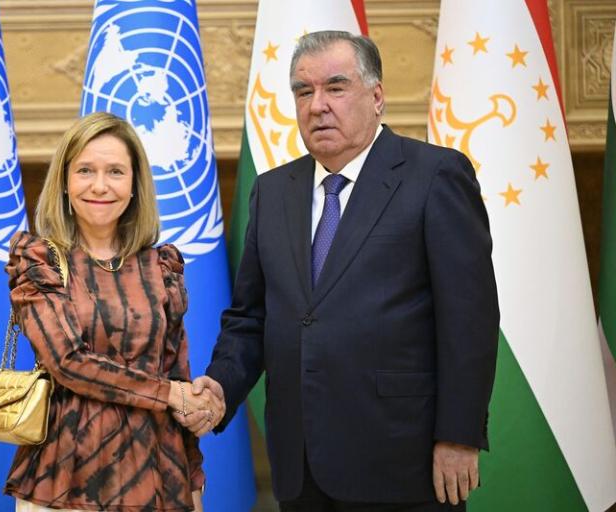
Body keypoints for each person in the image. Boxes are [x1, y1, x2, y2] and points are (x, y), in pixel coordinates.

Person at [181, 31, 500, 511]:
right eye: (303, 91)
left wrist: (459, 435)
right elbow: (252, 317)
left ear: (376, 97)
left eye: (336, 87)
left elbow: (469, 320)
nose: (317, 105)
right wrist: (222, 387)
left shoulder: (434, 176)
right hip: (301, 466)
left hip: (403, 461)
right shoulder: (273, 191)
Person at [3, 112, 224, 512]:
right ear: (65, 184)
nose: (100, 186)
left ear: (135, 186)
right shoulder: (40, 260)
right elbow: (69, 364)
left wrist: (193, 478)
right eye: (86, 170)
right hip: (66, 478)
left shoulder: (162, 266)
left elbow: (177, 375)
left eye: (116, 172)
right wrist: (169, 394)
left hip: (158, 473)